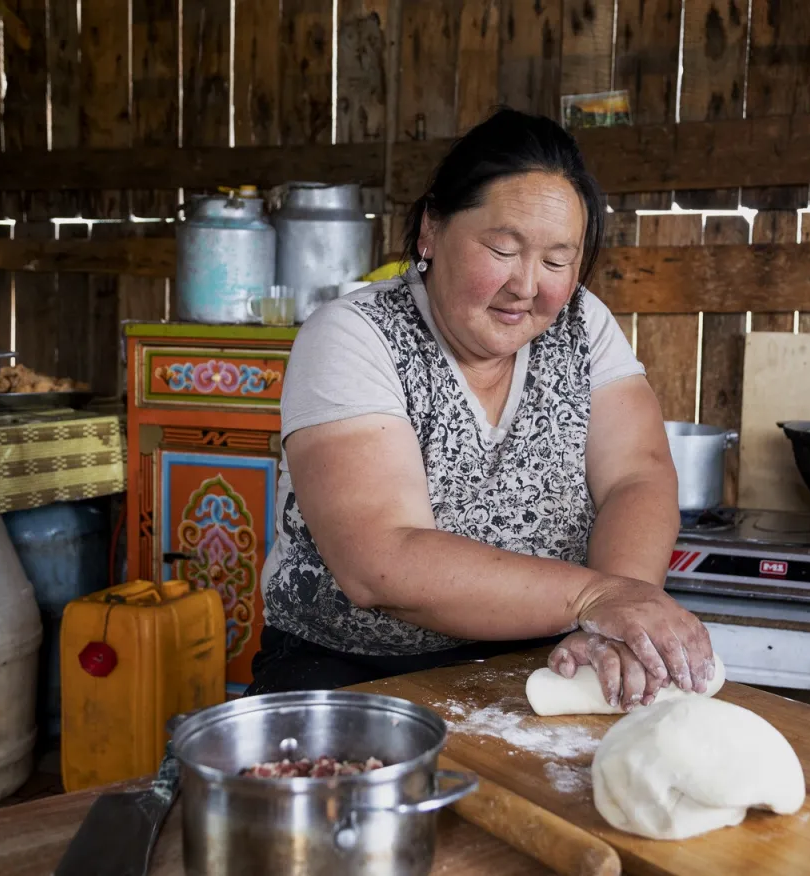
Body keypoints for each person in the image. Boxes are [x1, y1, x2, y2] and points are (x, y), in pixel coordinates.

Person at [247, 108, 714, 710]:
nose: (526, 285)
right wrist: (595, 600)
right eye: (503, 249)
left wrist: (617, 617)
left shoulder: (583, 325)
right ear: (431, 231)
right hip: (353, 672)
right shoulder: (354, 336)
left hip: (546, 660)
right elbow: (380, 561)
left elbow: (636, 477)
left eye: (555, 261)